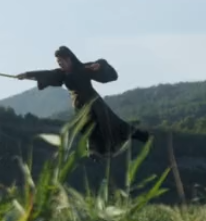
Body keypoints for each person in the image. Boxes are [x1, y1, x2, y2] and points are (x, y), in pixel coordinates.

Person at [16, 45, 150, 159]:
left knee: (103, 124)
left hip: (92, 103)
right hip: (80, 105)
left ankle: (97, 149)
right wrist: (27, 75)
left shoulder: (83, 69)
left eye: (61, 61)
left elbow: (101, 64)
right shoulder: (62, 74)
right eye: (58, 62)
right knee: (94, 126)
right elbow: (47, 74)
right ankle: (96, 151)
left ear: (69, 59)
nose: (60, 64)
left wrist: (100, 65)